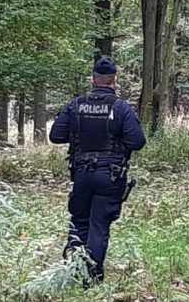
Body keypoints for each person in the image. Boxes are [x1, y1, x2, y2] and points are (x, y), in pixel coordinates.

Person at [50, 57, 146, 284]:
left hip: (81, 173)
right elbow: (137, 141)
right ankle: (92, 278)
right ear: (115, 80)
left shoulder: (76, 105)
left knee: (79, 221)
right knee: (99, 225)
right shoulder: (120, 107)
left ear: (93, 79)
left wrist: (79, 136)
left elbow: (56, 136)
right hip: (110, 176)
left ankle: (73, 272)